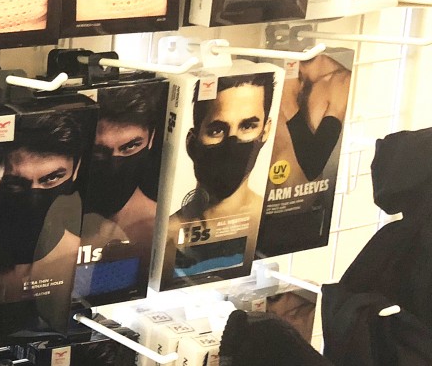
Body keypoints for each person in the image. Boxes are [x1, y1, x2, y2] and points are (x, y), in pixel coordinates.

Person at [0, 111, 85, 347]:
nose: (34, 198)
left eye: (52, 178)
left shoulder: (87, 253)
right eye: (16, 184)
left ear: (76, 169)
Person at [168, 73, 275, 277]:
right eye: (217, 130)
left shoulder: (271, 222)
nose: (232, 142)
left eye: (247, 126)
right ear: (192, 141)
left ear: (266, 131)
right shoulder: (167, 235)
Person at [81, 84, 164, 256]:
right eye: (99, 151)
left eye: (130, 146)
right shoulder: (58, 231)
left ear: (151, 138)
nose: (114, 165)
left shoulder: (162, 227)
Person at [277, 54, 350, 182]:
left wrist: (289, 102)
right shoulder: (277, 69)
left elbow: (313, 166)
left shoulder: (341, 81)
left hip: (302, 191)